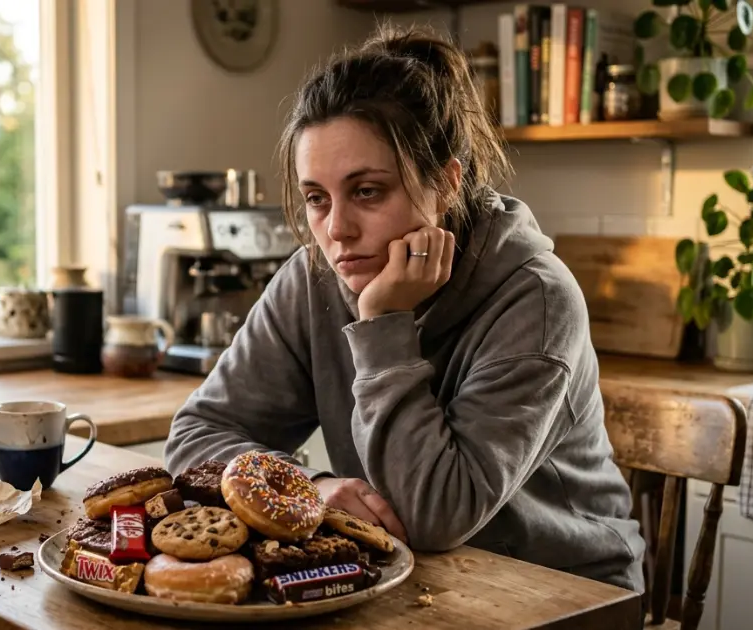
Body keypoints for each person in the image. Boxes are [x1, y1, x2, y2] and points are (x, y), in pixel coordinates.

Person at [163, 24, 645, 593]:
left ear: (445, 183)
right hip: (415, 584)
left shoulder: (538, 301)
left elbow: (434, 517)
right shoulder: (313, 278)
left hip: (561, 594)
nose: (336, 230)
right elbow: (197, 433)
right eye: (317, 198)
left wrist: (381, 324)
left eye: (368, 191)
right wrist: (305, 487)